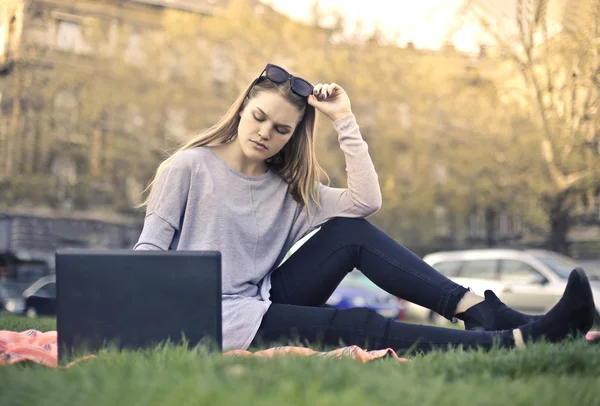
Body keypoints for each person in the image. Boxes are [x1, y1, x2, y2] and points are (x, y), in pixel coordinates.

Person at [134, 63, 596, 354]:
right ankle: (509, 340)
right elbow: (148, 254)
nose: (264, 133)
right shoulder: (188, 167)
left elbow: (365, 203)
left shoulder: (291, 189)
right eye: (258, 118)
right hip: (205, 316)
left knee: (348, 234)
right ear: (241, 111)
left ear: (292, 137)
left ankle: (484, 312)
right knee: (354, 323)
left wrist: (344, 119)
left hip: (261, 302)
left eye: (280, 129)